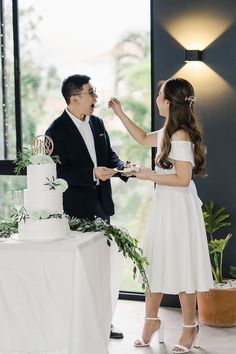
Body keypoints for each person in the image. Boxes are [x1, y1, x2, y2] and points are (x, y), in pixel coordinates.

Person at [108, 77, 214, 353]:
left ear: (168, 102)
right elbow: (143, 138)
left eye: (159, 95)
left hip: (178, 208)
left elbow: (182, 179)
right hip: (165, 205)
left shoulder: (180, 135)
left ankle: (190, 327)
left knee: (182, 264)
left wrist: (146, 175)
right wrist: (120, 113)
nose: (156, 99)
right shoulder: (171, 128)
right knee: (153, 262)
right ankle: (151, 322)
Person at [46, 74, 127, 339]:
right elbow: (57, 172)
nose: (96, 98)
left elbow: (109, 156)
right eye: (91, 93)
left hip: (102, 206)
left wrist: (124, 168)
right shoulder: (55, 132)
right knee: (79, 271)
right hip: (75, 211)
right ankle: (78, 324)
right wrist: (92, 174)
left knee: (102, 268)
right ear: (74, 99)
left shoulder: (98, 122)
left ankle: (105, 321)